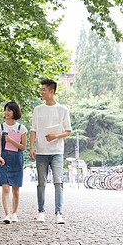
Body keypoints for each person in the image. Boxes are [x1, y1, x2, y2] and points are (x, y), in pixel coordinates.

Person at [29, 79, 71, 224]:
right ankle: (41, 212)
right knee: (41, 184)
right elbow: (33, 130)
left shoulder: (63, 109)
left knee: (58, 182)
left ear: (51, 91)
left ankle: (58, 213)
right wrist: (31, 147)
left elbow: (68, 131)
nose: (41, 92)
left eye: (43, 90)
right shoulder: (37, 110)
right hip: (41, 151)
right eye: (41, 89)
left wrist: (55, 136)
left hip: (57, 151)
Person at [0, 101, 28, 224]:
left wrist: (12, 141)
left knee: (16, 189)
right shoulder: (0, 128)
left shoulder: (21, 128)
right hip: (3, 160)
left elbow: (23, 147)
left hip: (16, 160)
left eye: (9, 110)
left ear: (15, 112)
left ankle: (14, 213)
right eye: (5, 110)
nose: (6, 113)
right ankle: (7, 214)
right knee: (5, 188)